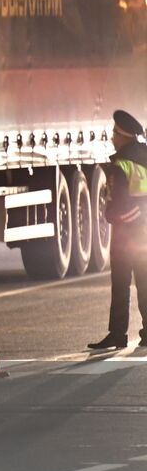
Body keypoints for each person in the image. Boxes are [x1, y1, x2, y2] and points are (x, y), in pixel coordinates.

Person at [88, 111, 147, 350]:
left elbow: (119, 203)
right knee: (144, 283)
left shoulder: (121, 163)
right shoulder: (144, 156)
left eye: (114, 133)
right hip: (143, 231)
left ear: (124, 136)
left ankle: (117, 335)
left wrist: (112, 216)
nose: (112, 137)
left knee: (121, 284)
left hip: (126, 234)